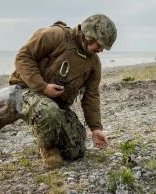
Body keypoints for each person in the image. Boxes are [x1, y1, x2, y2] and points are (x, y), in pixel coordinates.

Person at [8, 14, 117, 167]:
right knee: (48, 111)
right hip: (24, 91)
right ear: (88, 36)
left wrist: (96, 128)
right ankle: (47, 148)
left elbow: (91, 95)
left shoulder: (93, 63)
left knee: (76, 150)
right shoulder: (56, 35)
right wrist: (43, 87)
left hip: (56, 102)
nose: (100, 50)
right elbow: (22, 57)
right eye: (99, 45)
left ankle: (49, 131)